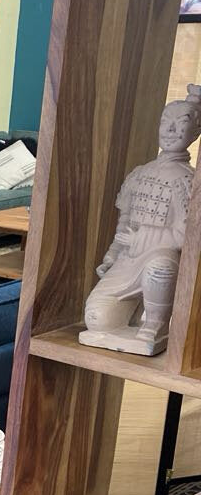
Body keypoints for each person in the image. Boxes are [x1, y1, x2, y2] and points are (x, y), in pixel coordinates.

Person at [82, 84, 201, 352]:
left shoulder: (189, 181)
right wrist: (112, 255)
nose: (170, 131)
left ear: (195, 132)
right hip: (128, 260)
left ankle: (154, 325)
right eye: (165, 122)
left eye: (179, 124)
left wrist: (143, 239)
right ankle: (133, 317)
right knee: (96, 319)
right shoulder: (139, 173)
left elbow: (187, 237)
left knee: (159, 268)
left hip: (161, 257)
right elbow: (125, 222)